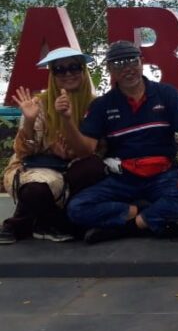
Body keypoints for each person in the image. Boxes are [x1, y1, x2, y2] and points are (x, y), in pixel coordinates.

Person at [64, 41, 178, 243]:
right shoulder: (102, 105)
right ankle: (146, 216)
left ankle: (125, 228)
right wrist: (67, 120)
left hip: (163, 175)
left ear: (141, 62)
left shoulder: (166, 93)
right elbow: (86, 150)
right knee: (77, 208)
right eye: (118, 64)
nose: (127, 69)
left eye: (132, 61)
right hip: (122, 179)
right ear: (110, 69)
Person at [0, 48, 105, 244]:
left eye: (74, 67)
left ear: (83, 71)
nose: (68, 73)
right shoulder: (38, 104)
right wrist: (30, 123)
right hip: (42, 168)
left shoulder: (95, 105)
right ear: (52, 75)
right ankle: (45, 223)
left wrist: (71, 152)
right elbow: (22, 152)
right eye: (59, 70)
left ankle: (28, 223)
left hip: (76, 167)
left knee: (93, 168)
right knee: (35, 189)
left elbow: (99, 148)